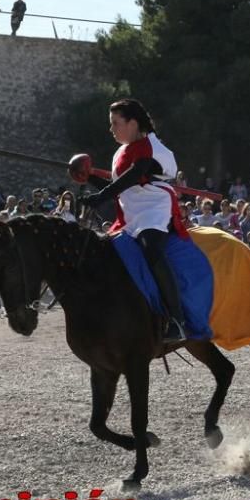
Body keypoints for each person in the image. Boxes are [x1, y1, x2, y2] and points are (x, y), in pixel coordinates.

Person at [80, 98, 186, 342]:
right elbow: (118, 185)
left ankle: (177, 320)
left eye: (115, 123)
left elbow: (136, 174)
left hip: (154, 209)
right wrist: (88, 177)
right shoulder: (120, 153)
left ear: (133, 123)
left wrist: (101, 196)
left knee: (152, 249)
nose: (111, 129)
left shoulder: (151, 147)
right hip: (130, 211)